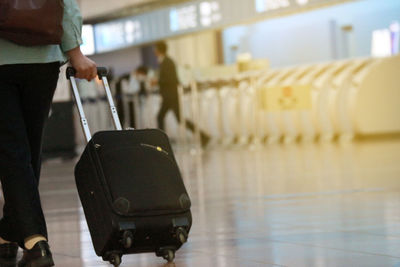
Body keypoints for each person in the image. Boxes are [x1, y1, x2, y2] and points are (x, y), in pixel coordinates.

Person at [0, 0, 97, 266]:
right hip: (42, 57)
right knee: (27, 152)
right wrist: (75, 52)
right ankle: (8, 233)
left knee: (12, 151)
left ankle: (35, 242)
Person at [154, 41, 210, 147]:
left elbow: (171, 79)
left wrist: (157, 81)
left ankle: (162, 142)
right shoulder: (165, 61)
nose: (154, 51)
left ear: (159, 49)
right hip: (170, 96)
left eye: (155, 49)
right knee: (178, 119)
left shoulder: (167, 62)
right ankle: (204, 136)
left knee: (161, 117)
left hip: (171, 96)